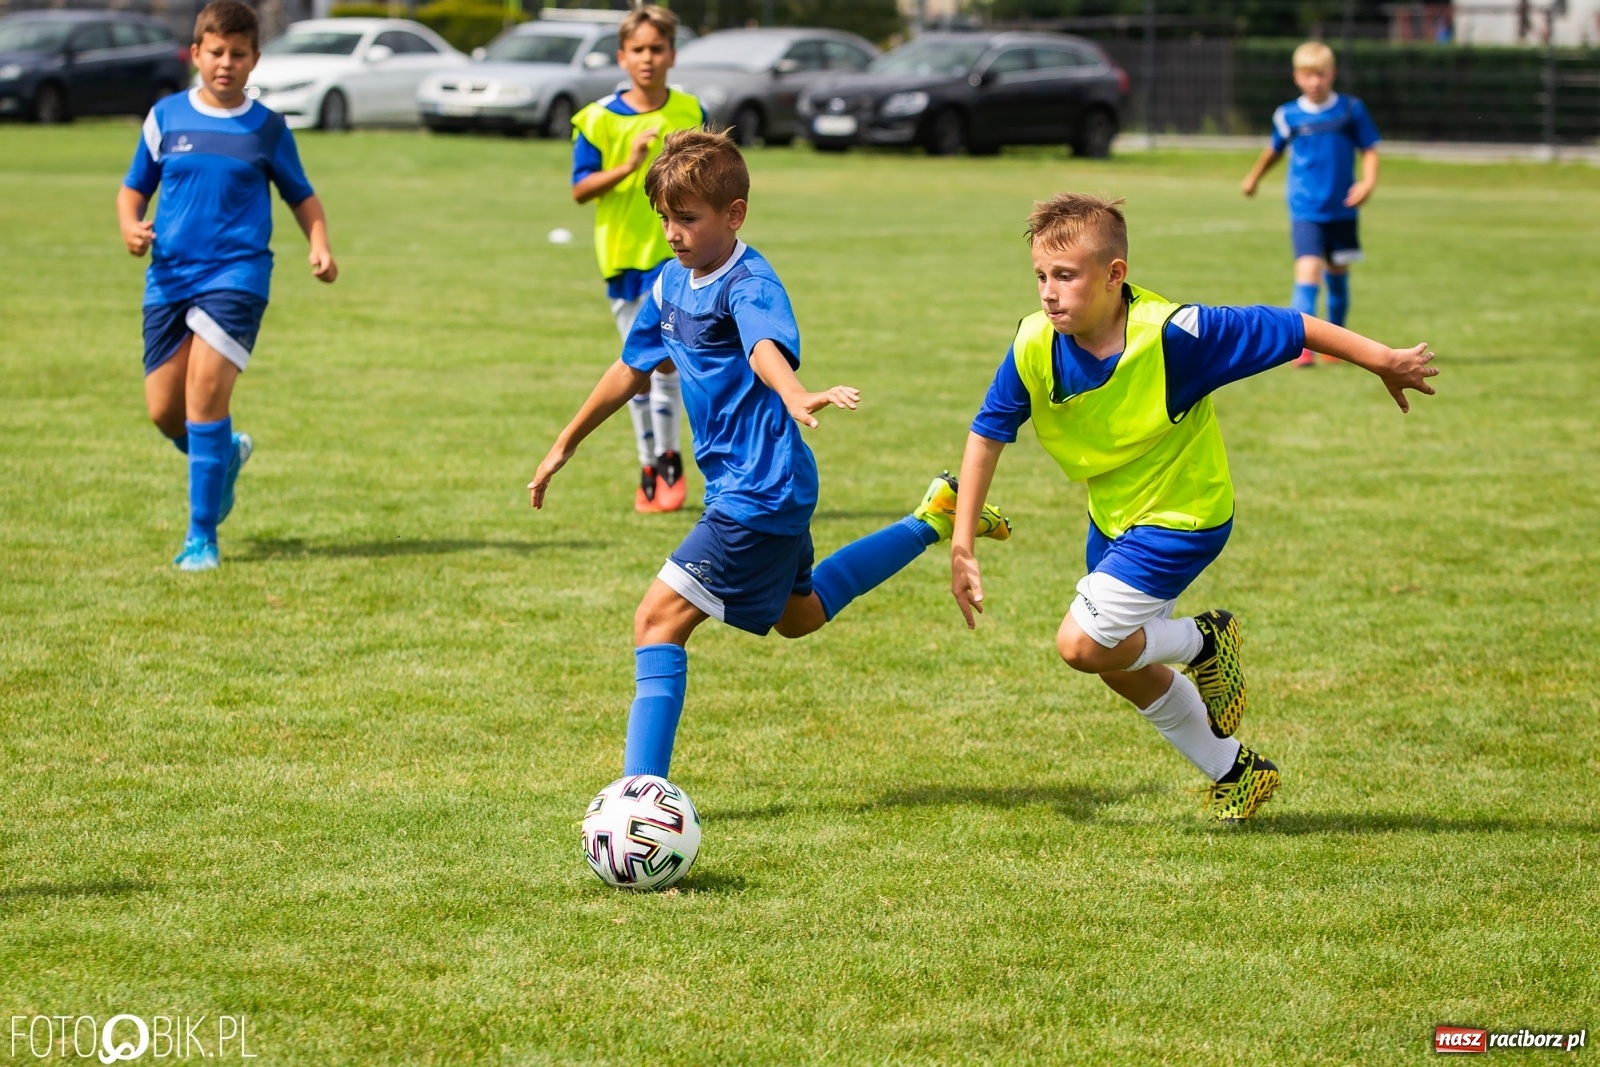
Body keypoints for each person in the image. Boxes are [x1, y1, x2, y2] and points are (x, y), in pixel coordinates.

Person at [531, 130, 1012, 780]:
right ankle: (931, 518)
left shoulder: (749, 283)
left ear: (735, 214)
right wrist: (567, 441)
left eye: (688, 218)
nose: (673, 232)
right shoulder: (671, 283)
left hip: (759, 489)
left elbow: (763, 348)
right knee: (800, 616)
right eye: (665, 218)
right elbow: (632, 365)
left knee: (656, 620)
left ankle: (640, 798)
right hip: (764, 483)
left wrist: (792, 391)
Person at [948, 193, 1436, 822]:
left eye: (1065, 276)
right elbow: (987, 432)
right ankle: (1236, 771)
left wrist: (1381, 360)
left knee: (1080, 645)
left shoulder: (1177, 337)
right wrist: (963, 543)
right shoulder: (1033, 345)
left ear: (1115, 274)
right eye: (1041, 276)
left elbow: (1292, 326)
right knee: (1118, 664)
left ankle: (1201, 641)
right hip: (1116, 521)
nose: (1048, 292)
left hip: (1185, 517)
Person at [116, 0, 335, 571]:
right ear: (196, 54)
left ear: (254, 60)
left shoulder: (266, 127)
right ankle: (226, 457)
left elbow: (301, 194)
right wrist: (130, 225)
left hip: (236, 277)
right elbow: (133, 188)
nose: (226, 64)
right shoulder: (165, 117)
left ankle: (200, 538)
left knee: (205, 398)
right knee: (164, 412)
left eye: (239, 54)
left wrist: (318, 242)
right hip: (168, 276)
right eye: (216, 52)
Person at [570, 4, 706, 513]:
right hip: (624, 258)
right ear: (622, 56)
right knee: (637, 366)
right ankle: (649, 461)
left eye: (657, 48)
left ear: (671, 54)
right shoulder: (599, 118)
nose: (647, 59)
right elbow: (580, 189)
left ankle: (669, 461)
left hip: (679, 258)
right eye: (638, 50)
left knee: (669, 362)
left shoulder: (691, 111)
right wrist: (628, 165)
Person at [1240, 41, 1381, 367]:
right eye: (1307, 75)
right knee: (1307, 273)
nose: (1314, 82)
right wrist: (1254, 177)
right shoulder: (1288, 114)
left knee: (1338, 276)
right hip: (1305, 209)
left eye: (1320, 74)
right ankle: (1301, 345)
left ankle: (1336, 342)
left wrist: (1368, 182)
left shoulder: (1350, 110)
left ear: (1332, 74)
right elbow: (1274, 150)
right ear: (1296, 77)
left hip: (1343, 208)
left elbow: (1370, 149)